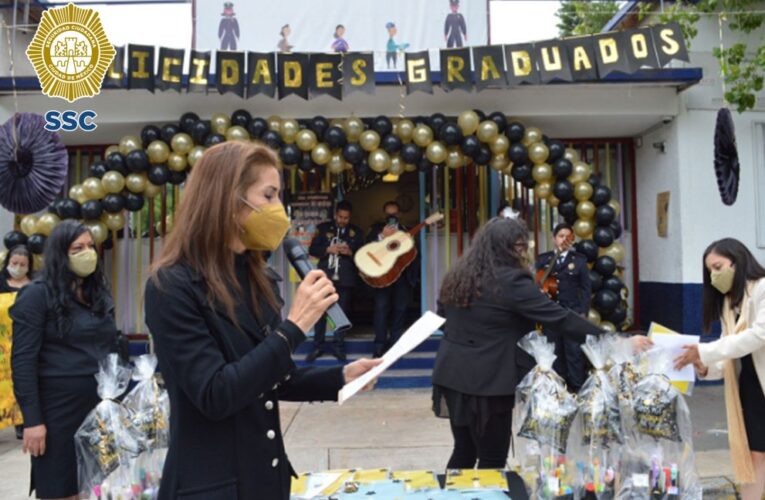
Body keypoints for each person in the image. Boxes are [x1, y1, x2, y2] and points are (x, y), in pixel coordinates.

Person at [143, 141, 380, 500]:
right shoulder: (171, 286)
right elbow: (216, 393)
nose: (278, 210)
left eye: (279, 196)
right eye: (268, 196)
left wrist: (341, 378)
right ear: (227, 199)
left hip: (264, 480)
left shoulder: (257, 277)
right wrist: (295, 326)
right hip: (212, 486)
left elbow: (272, 380)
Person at [431, 217, 604, 470]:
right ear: (507, 248)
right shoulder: (511, 280)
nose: (523, 253)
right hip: (489, 382)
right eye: (520, 247)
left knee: (464, 450)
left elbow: (443, 319)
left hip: (452, 375)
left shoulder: (457, 275)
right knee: (492, 458)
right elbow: (560, 318)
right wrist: (612, 340)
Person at [11, 221, 117, 500]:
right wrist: (32, 421)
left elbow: (111, 348)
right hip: (56, 414)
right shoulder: (36, 295)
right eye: (77, 248)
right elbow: (23, 362)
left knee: (93, 489)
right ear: (60, 253)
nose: (87, 253)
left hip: (96, 410)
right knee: (60, 489)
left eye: (90, 247)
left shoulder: (96, 294)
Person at [675, 238, 765, 499]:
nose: (714, 275)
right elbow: (729, 351)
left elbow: (758, 335)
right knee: (755, 454)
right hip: (750, 385)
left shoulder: (762, 289)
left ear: (737, 262)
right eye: (710, 271)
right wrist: (704, 367)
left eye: (718, 267)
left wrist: (703, 350)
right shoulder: (730, 303)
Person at [535, 223, 591, 391]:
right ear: (554, 238)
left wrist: (582, 312)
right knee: (554, 351)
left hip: (572, 313)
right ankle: (557, 390)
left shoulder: (579, 261)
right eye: (561, 236)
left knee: (574, 352)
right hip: (551, 314)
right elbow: (539, 287)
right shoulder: (543, 260)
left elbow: (585, 289)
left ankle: (576, 389)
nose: (564, 239)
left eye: (568, 236)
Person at [307, 200, 363, 362]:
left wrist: (350, 252)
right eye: (340, 217)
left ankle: (338, 347)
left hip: (345, 277)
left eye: (346, 218)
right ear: (335, 215)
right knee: (320, 312)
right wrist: (327, 249)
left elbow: (363, 255)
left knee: (341, 313)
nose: (342, 220)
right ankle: (318, 346)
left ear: (350, 217)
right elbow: (312, 250)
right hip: (325, 275)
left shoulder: (356, 232)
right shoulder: (323, 229)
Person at [366, 201, 418, 358]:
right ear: (384, 215)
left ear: (400, 215)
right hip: (383, 277)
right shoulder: (375, 231)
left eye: (394, 215)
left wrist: (413, 279)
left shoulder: (407, 231)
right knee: (381, 308)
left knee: (400, 309)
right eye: (389, 215)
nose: (392, 218)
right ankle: (379, 344)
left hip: (402, 277)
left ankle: (395, 344)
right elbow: (366, 250)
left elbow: (415, 254)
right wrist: (382, 237)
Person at [0, 245, 33, 440]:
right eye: (14, 264)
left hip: (24, 341)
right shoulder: (1, 283)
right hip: (3, 343)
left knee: (22, 382)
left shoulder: (34, 285)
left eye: (23, 264)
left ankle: (22, 421)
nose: (18, 268)